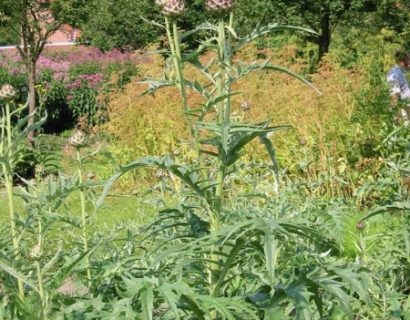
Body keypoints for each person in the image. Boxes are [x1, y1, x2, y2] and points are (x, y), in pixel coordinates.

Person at [387, 51, 410, 126]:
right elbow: (394, 96)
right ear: (402, 60)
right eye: (408, 59)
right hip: (403, 117)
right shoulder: (394, 73)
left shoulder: (402, 72)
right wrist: (397, 116)